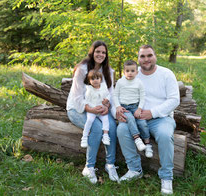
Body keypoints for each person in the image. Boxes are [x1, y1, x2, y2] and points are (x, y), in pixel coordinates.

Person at [116, 45, 180, 195]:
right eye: (142, 56)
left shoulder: (166, 74)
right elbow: (117, 96)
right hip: (135, 118)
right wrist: (117, 111)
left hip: (161, 118)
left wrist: (152, 112)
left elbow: (174, 100)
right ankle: (134, 169)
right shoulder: (131, 74)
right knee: (122, 129)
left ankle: (166, 177)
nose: (146, 59)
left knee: (165, 135)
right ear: (138, 59)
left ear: (155, 56)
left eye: (149, 55)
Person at [66, 40, 119, 184]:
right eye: (98, 51)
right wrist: (89, 108)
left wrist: (107, 106)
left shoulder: (109, 71)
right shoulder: (82, 69)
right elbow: (76, 97)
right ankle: (88, 167)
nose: (100, 54)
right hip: (78, 108)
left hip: (99, 108)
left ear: (106, 55)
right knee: (96, 128)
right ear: (92, 52)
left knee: (112, 127)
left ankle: (110, 164)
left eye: (103, 52)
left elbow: (111, 93)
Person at [113, 60, 153, 158]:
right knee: (130, 119)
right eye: (127, 71)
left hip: (135, 107)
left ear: (136, 72)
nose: (130, 73)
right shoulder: (120, 82)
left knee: (142, 123)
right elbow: (115, 95)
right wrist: (118, 106)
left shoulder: (139, 82)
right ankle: (137, 139)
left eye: (132, 71)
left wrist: (139, 108)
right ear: (124, 72)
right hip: (124, 107)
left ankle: (147, 144)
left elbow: (143, 96)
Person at [81, 70, 111, 148]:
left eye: (97, 78)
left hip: (102, 109)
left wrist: (107, 100)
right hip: (92, 108)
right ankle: (84, 137)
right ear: (89, 81)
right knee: (90, 120)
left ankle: (105, 135)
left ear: (100, 79)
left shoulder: (104, 86)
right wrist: (92, 108)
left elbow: (108, 95)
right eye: (92, 79)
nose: (95, 81)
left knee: (105, 119)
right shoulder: (89, 89)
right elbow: (86, 101)